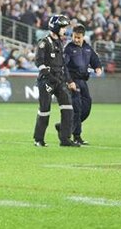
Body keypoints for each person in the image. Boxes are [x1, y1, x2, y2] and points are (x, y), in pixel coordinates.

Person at [33, 14, 79, 147]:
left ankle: (65, 139)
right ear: (56, 27)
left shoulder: (59, 42)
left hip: (59, 80)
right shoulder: (44, 42)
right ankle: (38, 139)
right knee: (45, 110)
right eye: (63, 27)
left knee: (68, 108)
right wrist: (52, 78)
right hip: (46, 81)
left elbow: (63, 65)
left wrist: (69, 80)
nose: (65, 30)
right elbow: (39, 64)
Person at [63, 25, 102, 145]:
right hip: (73, 81)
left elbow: (95, 59)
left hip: (83, 82)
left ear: (83, 37)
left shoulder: (87, 48)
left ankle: (65, 126)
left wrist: (98, 68)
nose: (76, 40)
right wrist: (69, 81)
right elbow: (64, 67)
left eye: (78, 38)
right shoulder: (68, 49)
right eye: (74, 37)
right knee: (77, 108)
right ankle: (76, 136)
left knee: (87, 107)